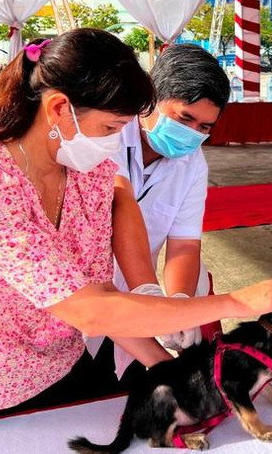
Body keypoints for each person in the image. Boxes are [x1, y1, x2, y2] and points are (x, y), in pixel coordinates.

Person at [0, 29, 272, 432]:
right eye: (111, 128)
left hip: (59, 369)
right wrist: (235, 303)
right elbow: (90, 310)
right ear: (59, 108)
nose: (116, 144)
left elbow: (105, 282)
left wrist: (171, 366)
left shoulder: (88, 175)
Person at [92, 43, 232, 379]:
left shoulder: (192, 164)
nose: (191, 134)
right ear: (151, 97)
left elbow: (184, 244)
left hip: (131, 302)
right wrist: (150, 297)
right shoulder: (107, 136)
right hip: (83, 293)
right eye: (185, 118)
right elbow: (121, 216)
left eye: (205, 127)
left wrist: (179, 303)